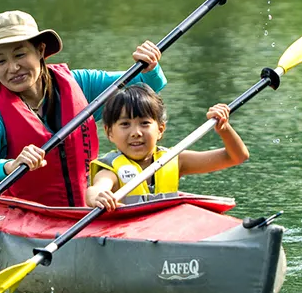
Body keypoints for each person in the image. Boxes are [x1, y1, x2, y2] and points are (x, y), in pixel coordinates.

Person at [0, 10, 164, 206]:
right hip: (28, 216)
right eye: (1, 61)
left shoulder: (80, 83)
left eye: (20, 54)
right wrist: (11, 165)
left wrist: (150, 66)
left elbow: (146, 84)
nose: (12, 68)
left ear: (40, 50)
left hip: (88, 208)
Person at [85, 84, 248, 211]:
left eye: (145, 123)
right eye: (125, 124)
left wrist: (224, 129)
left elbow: (237, 156)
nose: (136, 132)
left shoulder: (174, 160)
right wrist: (98, 198)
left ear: (160, 129)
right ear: (109, 132)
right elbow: (96, 189)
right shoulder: (110, 170)